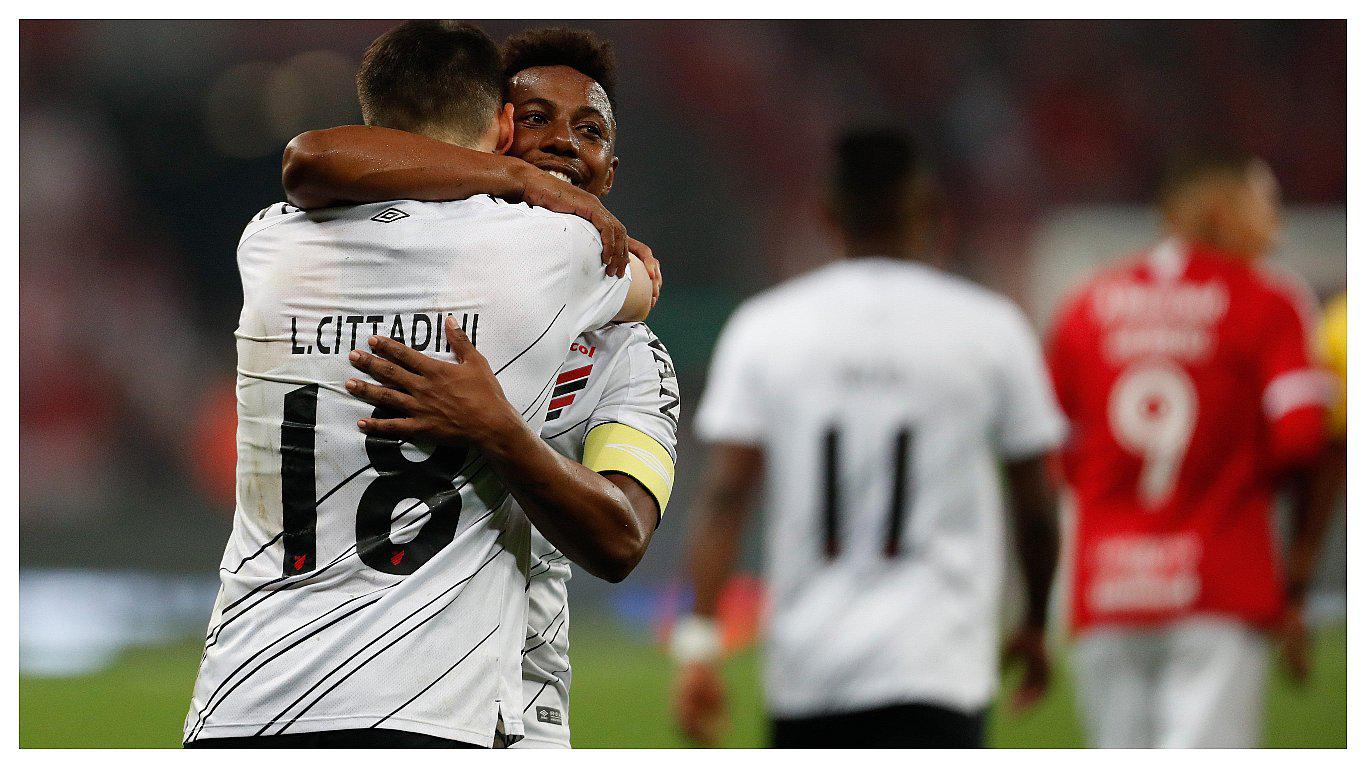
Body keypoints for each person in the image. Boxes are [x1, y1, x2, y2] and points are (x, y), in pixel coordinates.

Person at [184, 21, 652, 748]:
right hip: (421, 706)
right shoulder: (556, 252)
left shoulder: (270, 241)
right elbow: (644, 282)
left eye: (585, 130)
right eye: (533, 121)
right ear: (501, 127)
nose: (557, 145)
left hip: (242, 698)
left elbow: (314, 159)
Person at [672, 128, 1065, 748]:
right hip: (941, 667)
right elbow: (1036, 506)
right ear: (932, 214)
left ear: (828, 215)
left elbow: (725, 496)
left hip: (811, 672)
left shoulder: (766, 328)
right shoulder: (991, 330)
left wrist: (699, 647)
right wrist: (1036, 622)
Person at [1046, 151, 1333, 748]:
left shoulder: (1085, 305)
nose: (1275, 224)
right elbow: (1304, 437)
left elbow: (1056, 453)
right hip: (1219, 585)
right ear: (1216, 210)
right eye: (1265, 203)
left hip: (1108, 589)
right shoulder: (1268, 301)